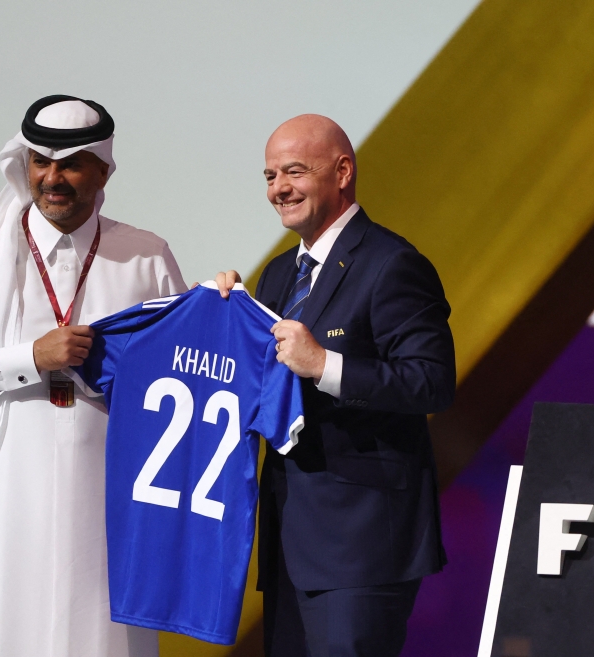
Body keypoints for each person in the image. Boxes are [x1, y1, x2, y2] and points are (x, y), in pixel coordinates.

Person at [0, 95, 185, 657]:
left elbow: (181, 377)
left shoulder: (146, 256)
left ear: (103, 168)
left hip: (108, 499)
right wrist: (27, 358)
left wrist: (221, 305)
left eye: (71, 163)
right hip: (2, 496)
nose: (52, 177)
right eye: (40, 162)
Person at [215, 114, 456, 657]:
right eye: (270, 176)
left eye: (294, 172)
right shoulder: (277, 275)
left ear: (342, 171)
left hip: (362, 544)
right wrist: (221, 317)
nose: (278, 189)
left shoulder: (393, 264)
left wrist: (324, 363)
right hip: (289, 541)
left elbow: (432, 382)